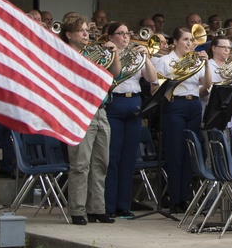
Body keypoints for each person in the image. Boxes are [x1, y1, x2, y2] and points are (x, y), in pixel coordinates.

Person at [61, 14, 119, 225]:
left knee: (101, 162)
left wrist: (114, 54)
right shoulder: (66, 55)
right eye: (81, 31)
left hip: (100, 109)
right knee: (80, 163)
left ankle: (97, 207)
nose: (86, 34)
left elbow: (115, 74)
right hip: (79, 110)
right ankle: (77, 209)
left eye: (87, 30)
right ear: (69, 35)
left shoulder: (96, 52)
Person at [105, 20, 157, 219]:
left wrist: (147, 58)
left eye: (127, 33)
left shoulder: (135, 55)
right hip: (115, 104)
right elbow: (113, 77)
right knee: (113, 157)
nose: (126, 37)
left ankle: (123, 205)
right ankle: (109, 205)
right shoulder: (107, 54)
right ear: (111, 37)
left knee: (129, 158)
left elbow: (152, 79)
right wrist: (115, 54)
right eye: (120, 33)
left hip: (134, 103)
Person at [153, 26, 207, 213]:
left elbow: (206, 85)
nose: (190, 43)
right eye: (185, 40)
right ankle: (175, 198)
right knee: (176, 153)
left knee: (189, 153)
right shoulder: (165, 61)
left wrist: (206, 64)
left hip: (193, 105)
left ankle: (186, 198)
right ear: (175, 42)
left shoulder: (195, 60)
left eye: (191, 40)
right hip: (174, 104)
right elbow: (158, 88)